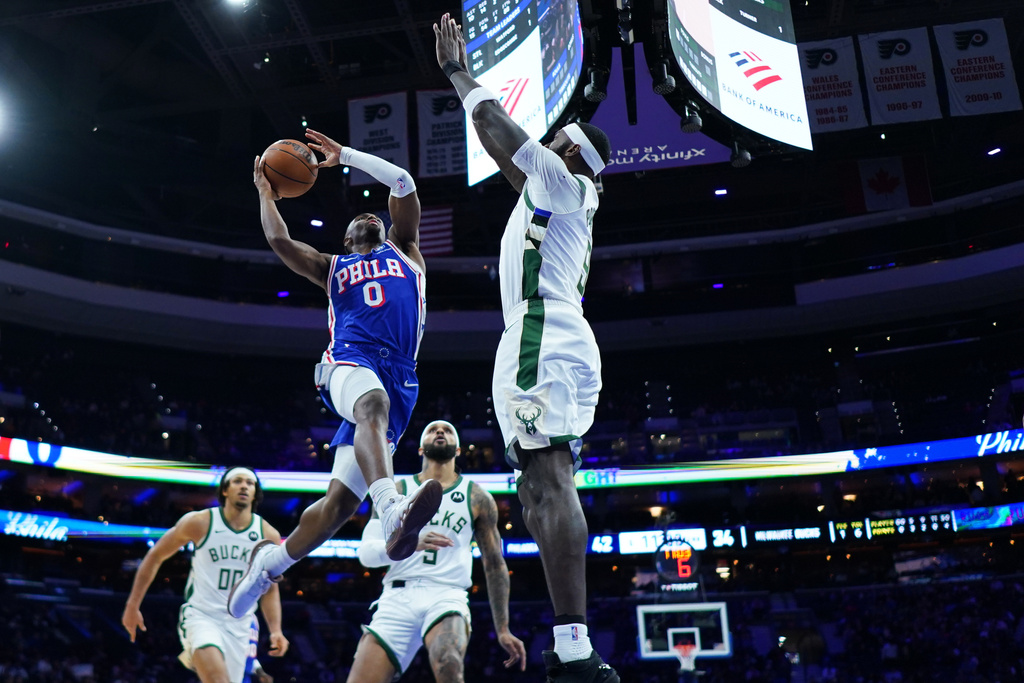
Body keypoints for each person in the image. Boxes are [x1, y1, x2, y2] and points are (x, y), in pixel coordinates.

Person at [434, 15, 616, 682]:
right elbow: (504, 150)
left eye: (557, 136)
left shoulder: (568, 183)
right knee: (539, 486)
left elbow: (499, 132)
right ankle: (572, 646)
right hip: (544, 337)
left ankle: (576, 649)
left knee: (547, 481)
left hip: (545, 333)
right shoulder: (553, 194)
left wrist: (457, 71)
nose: (548, 137)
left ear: (569, 153)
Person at [228, 129, 443, 618]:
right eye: (357, 218)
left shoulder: (407, 252)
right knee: (372, 405)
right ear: (346, 239)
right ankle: (392, 511)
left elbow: (404, 183)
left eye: (375, 215)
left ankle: (269, 566)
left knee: (336, 510)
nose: (369, 215)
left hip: (400, 380)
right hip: (347, 365)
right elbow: (279, 239)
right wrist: (266, 193)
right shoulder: (331, 267)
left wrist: (345, 156)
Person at [348, 419, 527, 682]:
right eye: (432, 430)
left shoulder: (477, 497)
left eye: (447, 430)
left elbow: (494, 563)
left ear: (458, 450)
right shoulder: (396, 492)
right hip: (396, 598)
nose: (440, 431)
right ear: (420, 449)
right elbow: (366, 554)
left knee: (449, 663)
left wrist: (503, 628)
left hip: (447, 595)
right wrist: (408, 542)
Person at [121, 468, 289, 683]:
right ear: (225, 491)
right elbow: (155, 556)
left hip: (240, 625)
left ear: (256, 493)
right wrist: (132, 605)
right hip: (202, 616)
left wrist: (276, 630)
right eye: (237, 481)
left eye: (250, 483)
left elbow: (269, 588)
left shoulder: (268, 535)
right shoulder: (200, 522)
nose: (244, 486)